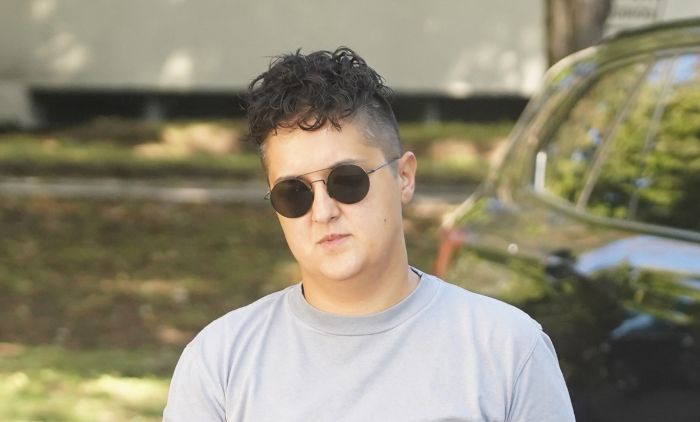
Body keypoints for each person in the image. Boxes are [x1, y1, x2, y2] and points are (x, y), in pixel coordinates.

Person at [163, 47, 576, 421]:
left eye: (347, 181)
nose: (323, 211)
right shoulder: (220, 362)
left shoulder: (507, 350)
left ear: (404, 177)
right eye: (294, 193)